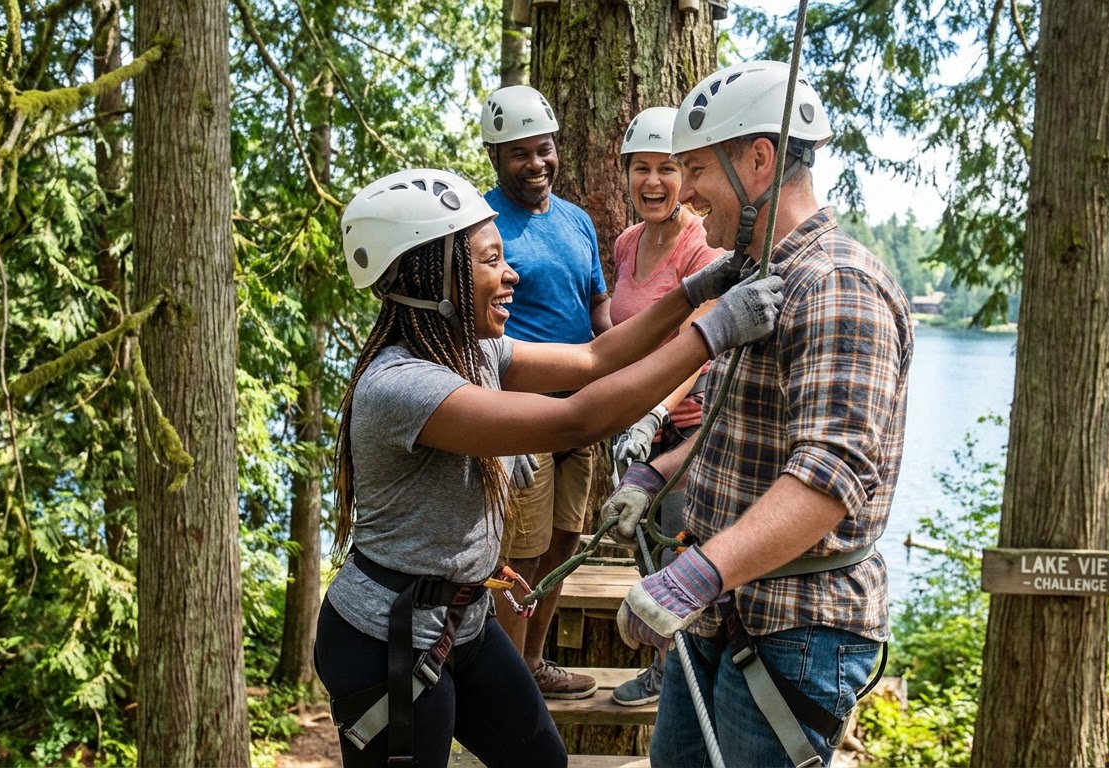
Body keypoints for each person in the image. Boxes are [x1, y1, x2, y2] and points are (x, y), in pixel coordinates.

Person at [315, 167, 785, 768]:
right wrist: (712, 333)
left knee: (541, 759)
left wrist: (694, 293)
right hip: (388, 639)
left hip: (460, 617)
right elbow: (575, 421)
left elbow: (594, 356)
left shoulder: (472, 349)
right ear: (434, 274)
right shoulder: (402, 385)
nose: (510, 275)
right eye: (489, 262)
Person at [604, 61, 915, 767]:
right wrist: (655, 475)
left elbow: (827, 481)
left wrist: (690, 578)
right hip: (726, 613)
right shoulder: (761, 277)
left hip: (794, 628)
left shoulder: (835, 285)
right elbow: (737, 433)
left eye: (695, 170)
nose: (684, 192)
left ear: (758, 158)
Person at [478, 84, 610, 699]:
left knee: (563, 544)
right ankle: (508, 686)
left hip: (577, 418)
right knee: (520, 557)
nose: (537, 163)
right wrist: (499, 430)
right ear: (495, 157)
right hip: (522, 419)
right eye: (520, 154)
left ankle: (532, 666)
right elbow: (469, 332)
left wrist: (631, 401)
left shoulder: (577, 221)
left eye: (545, 149)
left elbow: (599, 319)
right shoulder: (479, 225)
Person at [605, 106, 728, 708]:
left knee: (681, 547)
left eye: (667, 170)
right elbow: (624, 329)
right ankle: (669, 669)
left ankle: (674, 677)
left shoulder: (700, 251)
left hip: (686, 425)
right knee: (645, 544)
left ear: (686, 179)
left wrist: (653, 412)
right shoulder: (629, 243)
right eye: (641, 169)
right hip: (637, 425)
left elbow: (696, 342)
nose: (652, 183)